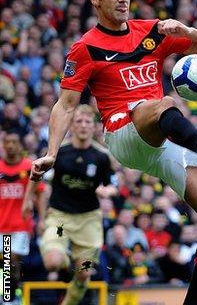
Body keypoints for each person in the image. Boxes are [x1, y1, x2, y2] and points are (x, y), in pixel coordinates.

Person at [28, 0, 197, 305]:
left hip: (165, 137)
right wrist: (52, 152)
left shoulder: (152, 30)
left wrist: (187, 30)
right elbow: (65, 106)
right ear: (95, 0)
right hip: (124, 135)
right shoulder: (85, 48)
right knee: (161, 103)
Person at [22, 105, 117, 305]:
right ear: (71, 126)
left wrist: (107, 191)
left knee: (84, 273)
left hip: (89, 220)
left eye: (87, 122)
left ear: (94, 127)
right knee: (53, 263)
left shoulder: (101, 157)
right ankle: (67, 263)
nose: (83, 125)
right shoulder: (58, 153)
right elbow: (37, 175)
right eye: (79, 121)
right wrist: (27, 201)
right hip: (60, 218)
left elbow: (112, 185)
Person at [0, 132, 44, 304]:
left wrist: (41, 219)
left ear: (20, 146)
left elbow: (40, 193)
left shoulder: (28, 167)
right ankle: (11, 292)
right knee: (8, 261)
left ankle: (10, 296)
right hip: (1, 224)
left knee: (11, 258)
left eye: (14, 142)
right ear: (3, 145)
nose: (10, 145)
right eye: (7, 142)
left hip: (20, 224)